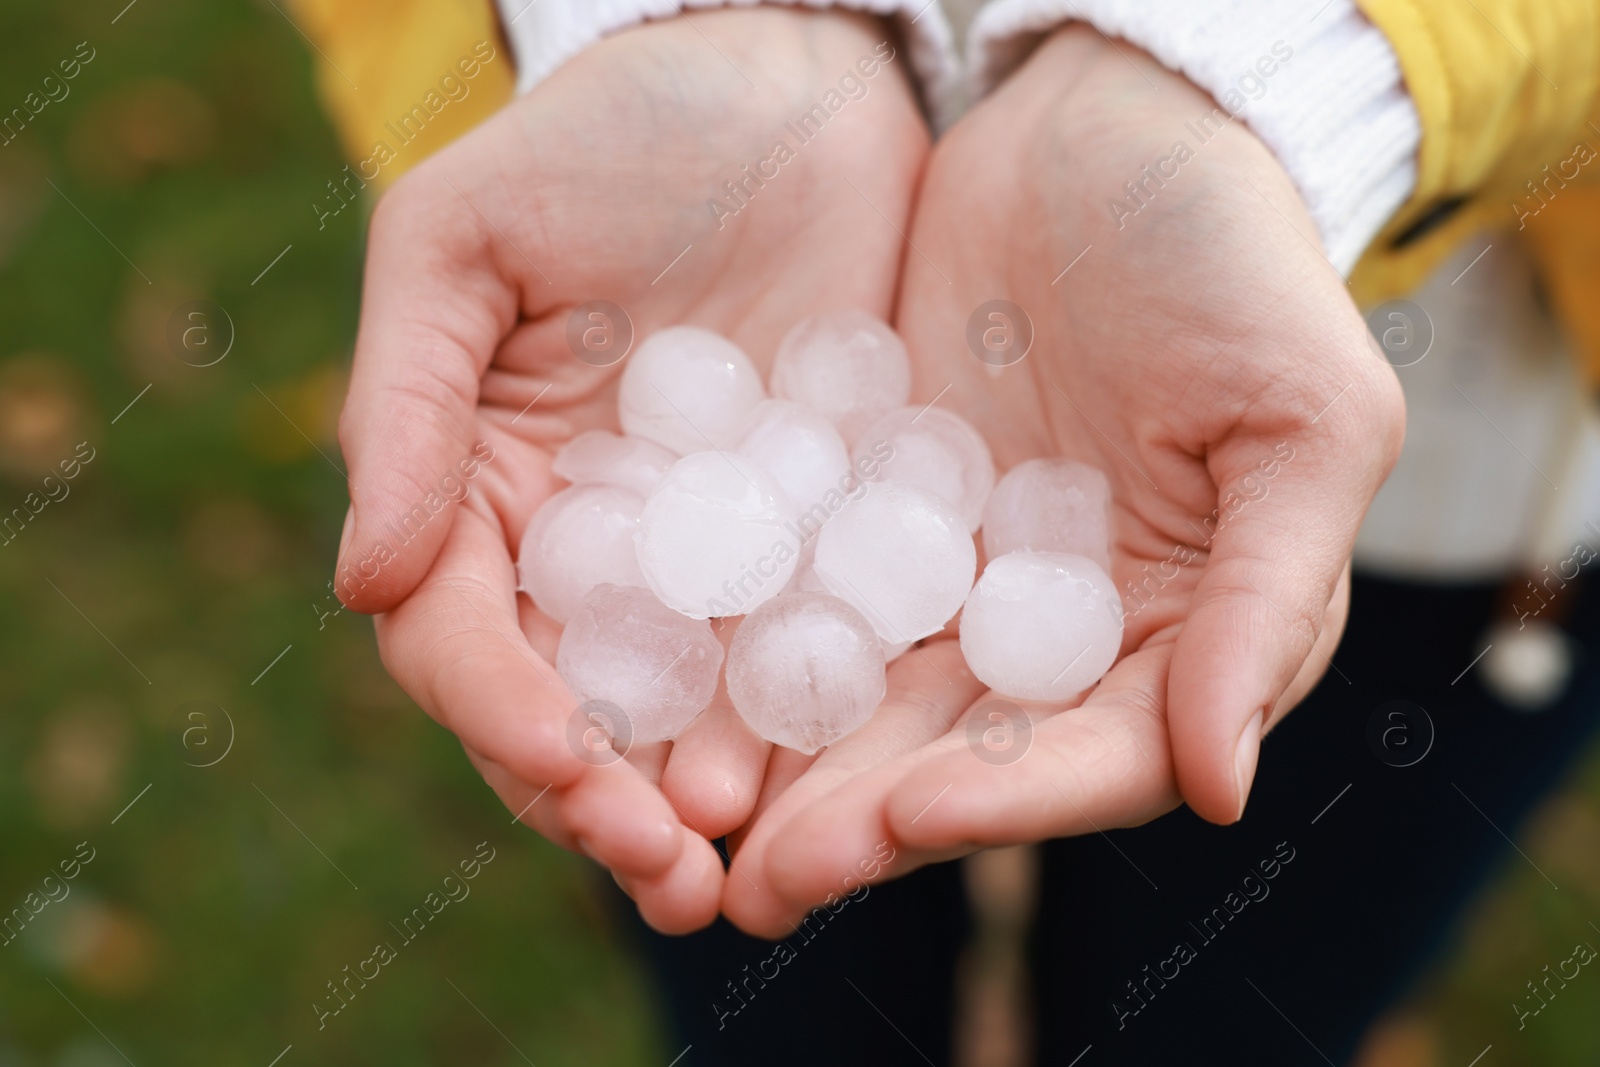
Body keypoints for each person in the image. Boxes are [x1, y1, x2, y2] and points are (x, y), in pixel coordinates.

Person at [312, 0, 1600, 1060]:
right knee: (789, 999)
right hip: (711, 259)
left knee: (1231, 1012)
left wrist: (1274, 68)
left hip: (1488, 462)